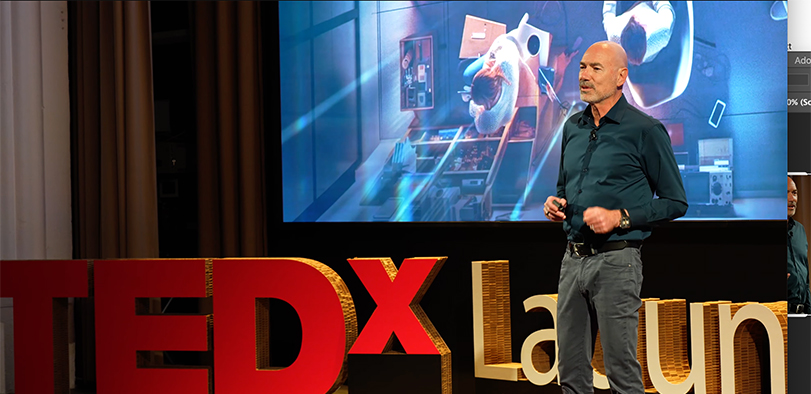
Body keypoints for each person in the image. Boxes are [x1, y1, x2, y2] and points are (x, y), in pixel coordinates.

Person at [543, 41, 687, 393]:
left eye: (596, 68)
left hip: (616, 261)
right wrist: (555, 203)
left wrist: (619, 218)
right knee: (571, 372)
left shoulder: (645, 130)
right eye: (582, 67)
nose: (584, 76)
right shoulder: (572, 127)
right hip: (572, 259)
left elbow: (675, 202)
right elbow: (564, 186)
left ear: (621, 76)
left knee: (620, 370)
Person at [602, 1, 675, 66]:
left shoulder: (614, 34)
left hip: (629, 6)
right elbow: (664, 6)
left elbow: (608, 12)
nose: (635, 16)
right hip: (652, 6)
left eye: (632, 20)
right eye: (639, 23)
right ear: (646, 30)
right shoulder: (662, 31)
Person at [787, 176, 810, 314]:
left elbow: (805, 280)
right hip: (779, 314)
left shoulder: (800, 230)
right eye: (787, 193)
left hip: (802, 312)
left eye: (794, 193)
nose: (792, 199)